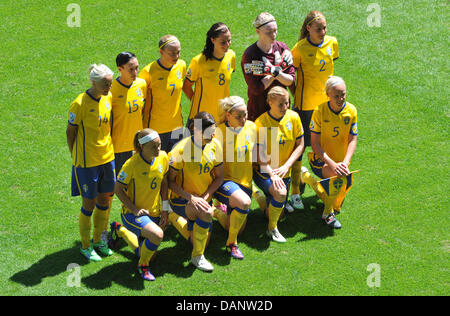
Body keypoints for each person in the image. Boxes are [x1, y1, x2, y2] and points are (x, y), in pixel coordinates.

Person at [289, 11, 339, 209]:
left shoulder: (332, 43)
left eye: (325, 28)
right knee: (300, 149)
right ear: (308, 28)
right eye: (319, 29)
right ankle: (295, 190)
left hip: (326, 107)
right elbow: (292, 79)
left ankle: (327, 185)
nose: (323, 32)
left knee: (325, 148)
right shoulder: (299, 49)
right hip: (306, 107)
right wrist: (298, 96)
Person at [66, 64, 115, 261]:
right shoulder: (79, 103)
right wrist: (75, 155)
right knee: (89, 203)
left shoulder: (108, 97)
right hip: (87, 163)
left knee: (106, 201)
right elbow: (71, 132)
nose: (108, 87)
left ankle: (100, 241)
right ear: (93, 82)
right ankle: (86, 246)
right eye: (105, 83)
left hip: (107, 158)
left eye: (110, 83)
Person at [168, 112, 224, 272]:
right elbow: (170, 181)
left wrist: (205, 197)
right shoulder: (180, 150)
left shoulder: (215, 145)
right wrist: (191, 198)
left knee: (202, 240)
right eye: (209, 132)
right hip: (182, 200)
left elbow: (219, 177)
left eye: (214, 130)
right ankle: (197, 257)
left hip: (203, 199)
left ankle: (174, 219)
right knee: (206, 214)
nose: (213, 134)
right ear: (196, 130)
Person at [110, 129, 169, 281]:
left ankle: (120, 230)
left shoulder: (162, 157)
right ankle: (143, 266)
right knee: (157, 236)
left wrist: (165, 209)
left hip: (154, 213)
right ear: (142, 147)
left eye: (159, 145)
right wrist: (134, 209)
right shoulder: (131, 165)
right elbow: (117, 189)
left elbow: (164, 182)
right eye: (153, 146)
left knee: (150, 253)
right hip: (133, 214)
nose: (158, 149)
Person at [302, 76, 357, 229]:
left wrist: (345, 163)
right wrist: (333, 165)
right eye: (336, 96)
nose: (341, 99)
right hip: (321, 160)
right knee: (336, 180)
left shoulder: (351, 111)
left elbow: (353, 139)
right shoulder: (319, 111)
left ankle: (307, 178)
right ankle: (327, 214)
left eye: (343, 94)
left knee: (337, 203)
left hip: (341, 162)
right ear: (328, 95)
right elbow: (315, 144)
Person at [254, 86, 304, 242]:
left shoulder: (294, 117)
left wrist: (286, 166)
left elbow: (300, 144)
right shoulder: (261, 123)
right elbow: (259, 156)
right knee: (281, 194)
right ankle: (272, 229)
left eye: (287, 103)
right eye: (281, 104)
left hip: (284, 171)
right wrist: (272, 174)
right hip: (265, 171)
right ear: (270, 102)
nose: (285, 107)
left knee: (276, 213)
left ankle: (258, 195)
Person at [213, 96, 257, 260]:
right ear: (228, 115)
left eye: (245, 115)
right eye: (239, 116)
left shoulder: (252, 127)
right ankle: (232, 244)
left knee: (238, 227)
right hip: (226, 182)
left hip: (246, 184)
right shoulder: (218, 133)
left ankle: (216, 213)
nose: (243, 119)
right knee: (244, 203)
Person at [241, 12, 295, 122]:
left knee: (283, 139)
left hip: (282, 111)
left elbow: (290, 80)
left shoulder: (282, 48)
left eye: (275, 30)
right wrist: (276, 72)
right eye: (269, 32)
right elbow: (256, 88)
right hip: (260, 113)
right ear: (258, 32)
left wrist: (274, 71)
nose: (273, 35)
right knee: (262, 140)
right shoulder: (250, 55)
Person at [139, 35, 186, 152]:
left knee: (176, 166)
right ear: (161, 52)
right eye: (172, 53)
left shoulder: (181, 66)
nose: (176, 56)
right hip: (155, 130)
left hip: (177, 127)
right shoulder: (148, 72)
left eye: (178, 52)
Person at [183, 22, 235, 126]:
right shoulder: (199, 61)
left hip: (222, 117)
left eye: (229, 41)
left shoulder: (231, 56)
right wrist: (197, 102)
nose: (227, 45)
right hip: (201, 119)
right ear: (213, 40)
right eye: (223, 42)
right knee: (196, 143)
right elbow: (186, 86)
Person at [110, 51, 147, 174]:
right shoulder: (112, 90)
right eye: (130, 69)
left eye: (137, 68)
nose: (135, 72)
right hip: (120, 147)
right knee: (121, 185)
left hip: (140, 145)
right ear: (120, 69)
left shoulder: (141, 84)